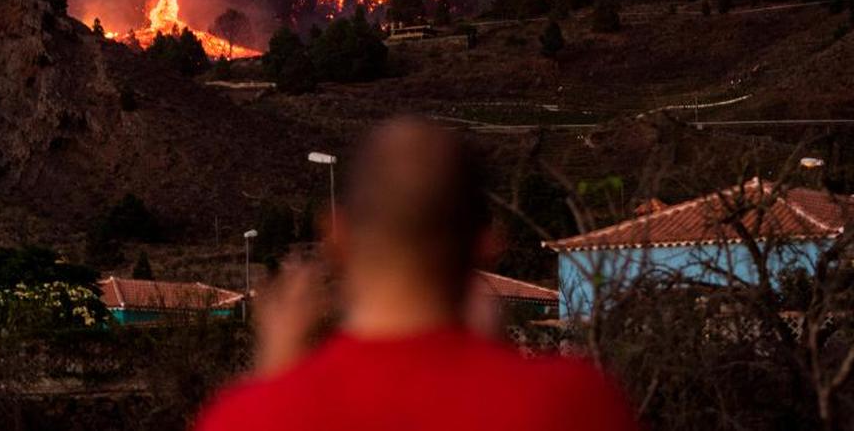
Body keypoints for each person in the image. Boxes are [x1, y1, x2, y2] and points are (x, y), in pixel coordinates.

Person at [196, 117, 639, 431]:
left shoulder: (246, 418)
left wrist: (272, 382)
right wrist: (491, 357)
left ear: (336, 237)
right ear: (488, 242)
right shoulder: (576, 403)